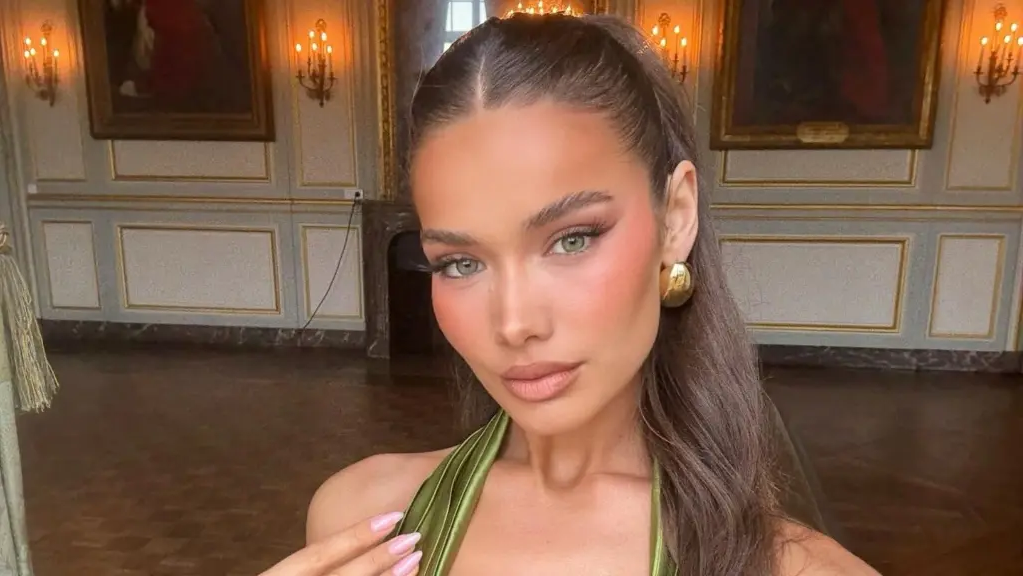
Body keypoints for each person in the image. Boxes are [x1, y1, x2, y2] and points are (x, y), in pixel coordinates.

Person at [261, 13, 880, 576]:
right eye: (460, 263)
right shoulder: (364, 521)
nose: (514, 323)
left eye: (572, 240)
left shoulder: (792, 569)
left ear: (676, 217)